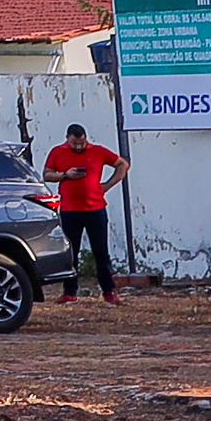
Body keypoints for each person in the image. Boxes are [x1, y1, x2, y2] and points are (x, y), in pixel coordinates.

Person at [44, 122, 125, 303]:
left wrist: (106, 185)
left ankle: (109, 292)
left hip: (95, 209)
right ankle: (70, 292)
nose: (79, 146)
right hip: (70, 211)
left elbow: (122, 164)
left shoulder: (98, 151)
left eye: (82, 143)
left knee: (101, 252)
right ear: (67, 139)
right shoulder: (58, 152)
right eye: (75, 144)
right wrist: (65, 175)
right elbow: (47, 175)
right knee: (72, 252)